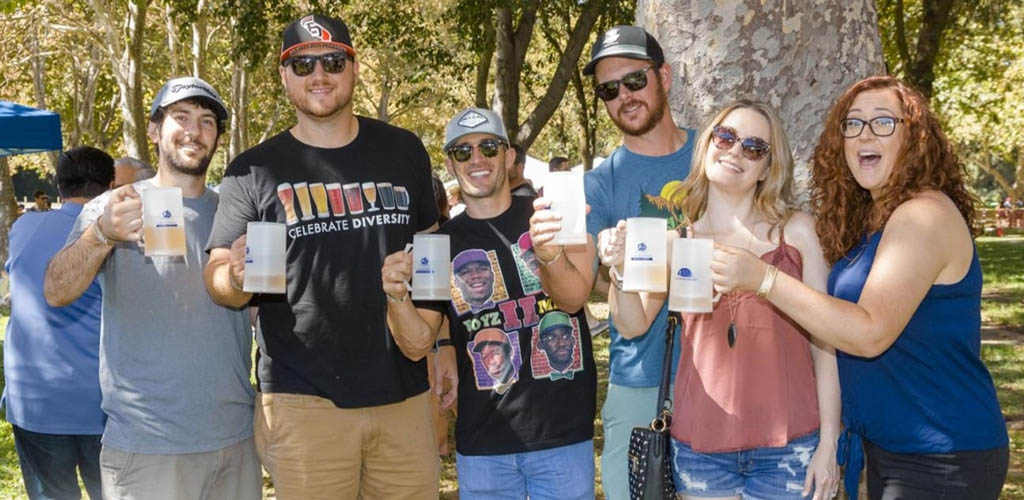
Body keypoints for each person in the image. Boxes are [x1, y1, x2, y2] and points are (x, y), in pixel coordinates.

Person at [712, 76, 1009, 499]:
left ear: (915, 139)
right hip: (889, 449)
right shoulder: (876, 221)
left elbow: (868, 332)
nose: (865, 133)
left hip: (943, 456)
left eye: (883, 121)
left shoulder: (923, 215)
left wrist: (763, 278)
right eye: (853, 124)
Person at [203, 13, 441, 499]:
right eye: (303, 64)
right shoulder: (252, 169)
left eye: (333, 61)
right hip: (301, 401)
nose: (319, 75)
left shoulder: (405, 150)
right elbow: (218, 281)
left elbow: (433, 252)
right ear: (284, 76)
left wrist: (437, 338)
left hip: (404, 397)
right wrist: (235, 275)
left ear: (353, 69)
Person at [604, 101, 840, 499]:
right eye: (725, 137)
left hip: (790, 447)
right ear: (707, 145)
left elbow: (827, 344)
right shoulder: (673, 239)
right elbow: (632, 323)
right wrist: (618, 269)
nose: (734, 151)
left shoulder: (798, 234)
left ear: (767, 167)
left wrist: (830, 443)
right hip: (700, 449)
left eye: (753, 147)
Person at [43, 77, 260, 500]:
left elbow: (254, 314)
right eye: (181, 117)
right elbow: (56, 290)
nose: (194, 131)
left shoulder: (232, 213)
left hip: (235, 439)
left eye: (207, 121)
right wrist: (101, 236)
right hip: (147, 447)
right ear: (155, 130)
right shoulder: (115, 205)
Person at [381, 107, 597, 499]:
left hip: (563, 435)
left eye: (488, 147)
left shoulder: (550, 217)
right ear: (450, 163)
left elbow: (573, 298)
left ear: (510, 156)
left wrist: (548, 252)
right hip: (485, 443)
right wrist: (396, 295)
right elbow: (415, 344)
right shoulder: (437, 246)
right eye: (462, 152)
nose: (476, 159)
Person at [580, 24, 697, 499]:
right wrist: (604, 262)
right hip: (639, 379)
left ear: (664, 77)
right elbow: (577, 286)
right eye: (609, 89)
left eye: (634, 80)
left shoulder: (715, 157)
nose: (623, 96)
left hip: (720, 374)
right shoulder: (600, 182)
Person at [4, 146, 115, 500]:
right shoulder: (119, 240)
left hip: (35, 399)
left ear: (58, 184)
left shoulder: (25, 226)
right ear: (111, 185)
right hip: (101, 403)